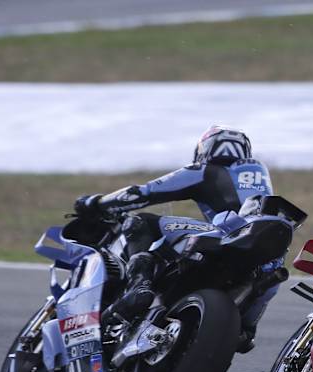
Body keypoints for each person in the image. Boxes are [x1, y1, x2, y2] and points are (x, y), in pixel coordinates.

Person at [74, 125, 276, 353]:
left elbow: (142, 193)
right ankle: (245, 325)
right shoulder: (261, 177)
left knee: (141, 222)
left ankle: (139, 285)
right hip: (265, 261)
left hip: (226, 234)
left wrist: (96, 203)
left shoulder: (205, 170)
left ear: (206, 148)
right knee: (264, 286)